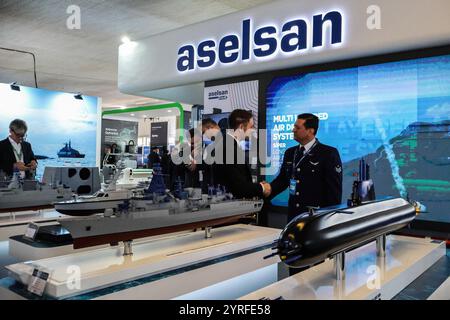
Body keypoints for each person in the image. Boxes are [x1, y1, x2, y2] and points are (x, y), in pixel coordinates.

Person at [268, 113, 343, 223]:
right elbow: (282, 180)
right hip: (294, 216)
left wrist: (330, 220)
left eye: (297, 127)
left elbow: (333, 192)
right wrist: (265, 191)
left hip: (316, 218)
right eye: (294, 126)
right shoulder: (290, 152)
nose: (293, 130)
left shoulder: (328, 153)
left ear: (310, 131)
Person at [214, 109, 271, 199]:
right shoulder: (230, 149)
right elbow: (239, 187)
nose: (254, 130)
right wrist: (262, 187)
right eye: (251, 127)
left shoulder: (225, 144)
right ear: (241, 127)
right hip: (230, 204)